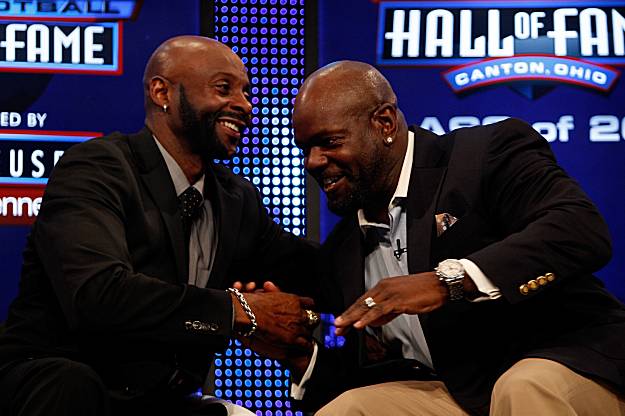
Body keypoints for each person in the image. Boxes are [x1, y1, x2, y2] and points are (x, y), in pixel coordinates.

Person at [283, 60, 625, 415]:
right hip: (461, 393)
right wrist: (297, 354)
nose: (312, 161)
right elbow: (363, 372)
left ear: (384, 123)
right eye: (305, 148)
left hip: (572, 359)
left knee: (523, 385)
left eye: (329, 142)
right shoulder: (344, 249)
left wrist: (448, 282)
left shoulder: (484, 154)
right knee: (349, 410)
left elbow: (579, 229)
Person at [0, 36, 318, 416]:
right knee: (71, 385)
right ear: (161, 91)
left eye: (246, 92)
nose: (245, 105)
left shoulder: (235, 199)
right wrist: (238, 310)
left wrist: (389, 274)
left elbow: (308, 270)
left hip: (162, 399)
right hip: (61, 384)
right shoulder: (97, 169)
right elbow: (99, 296)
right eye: (224, 88)